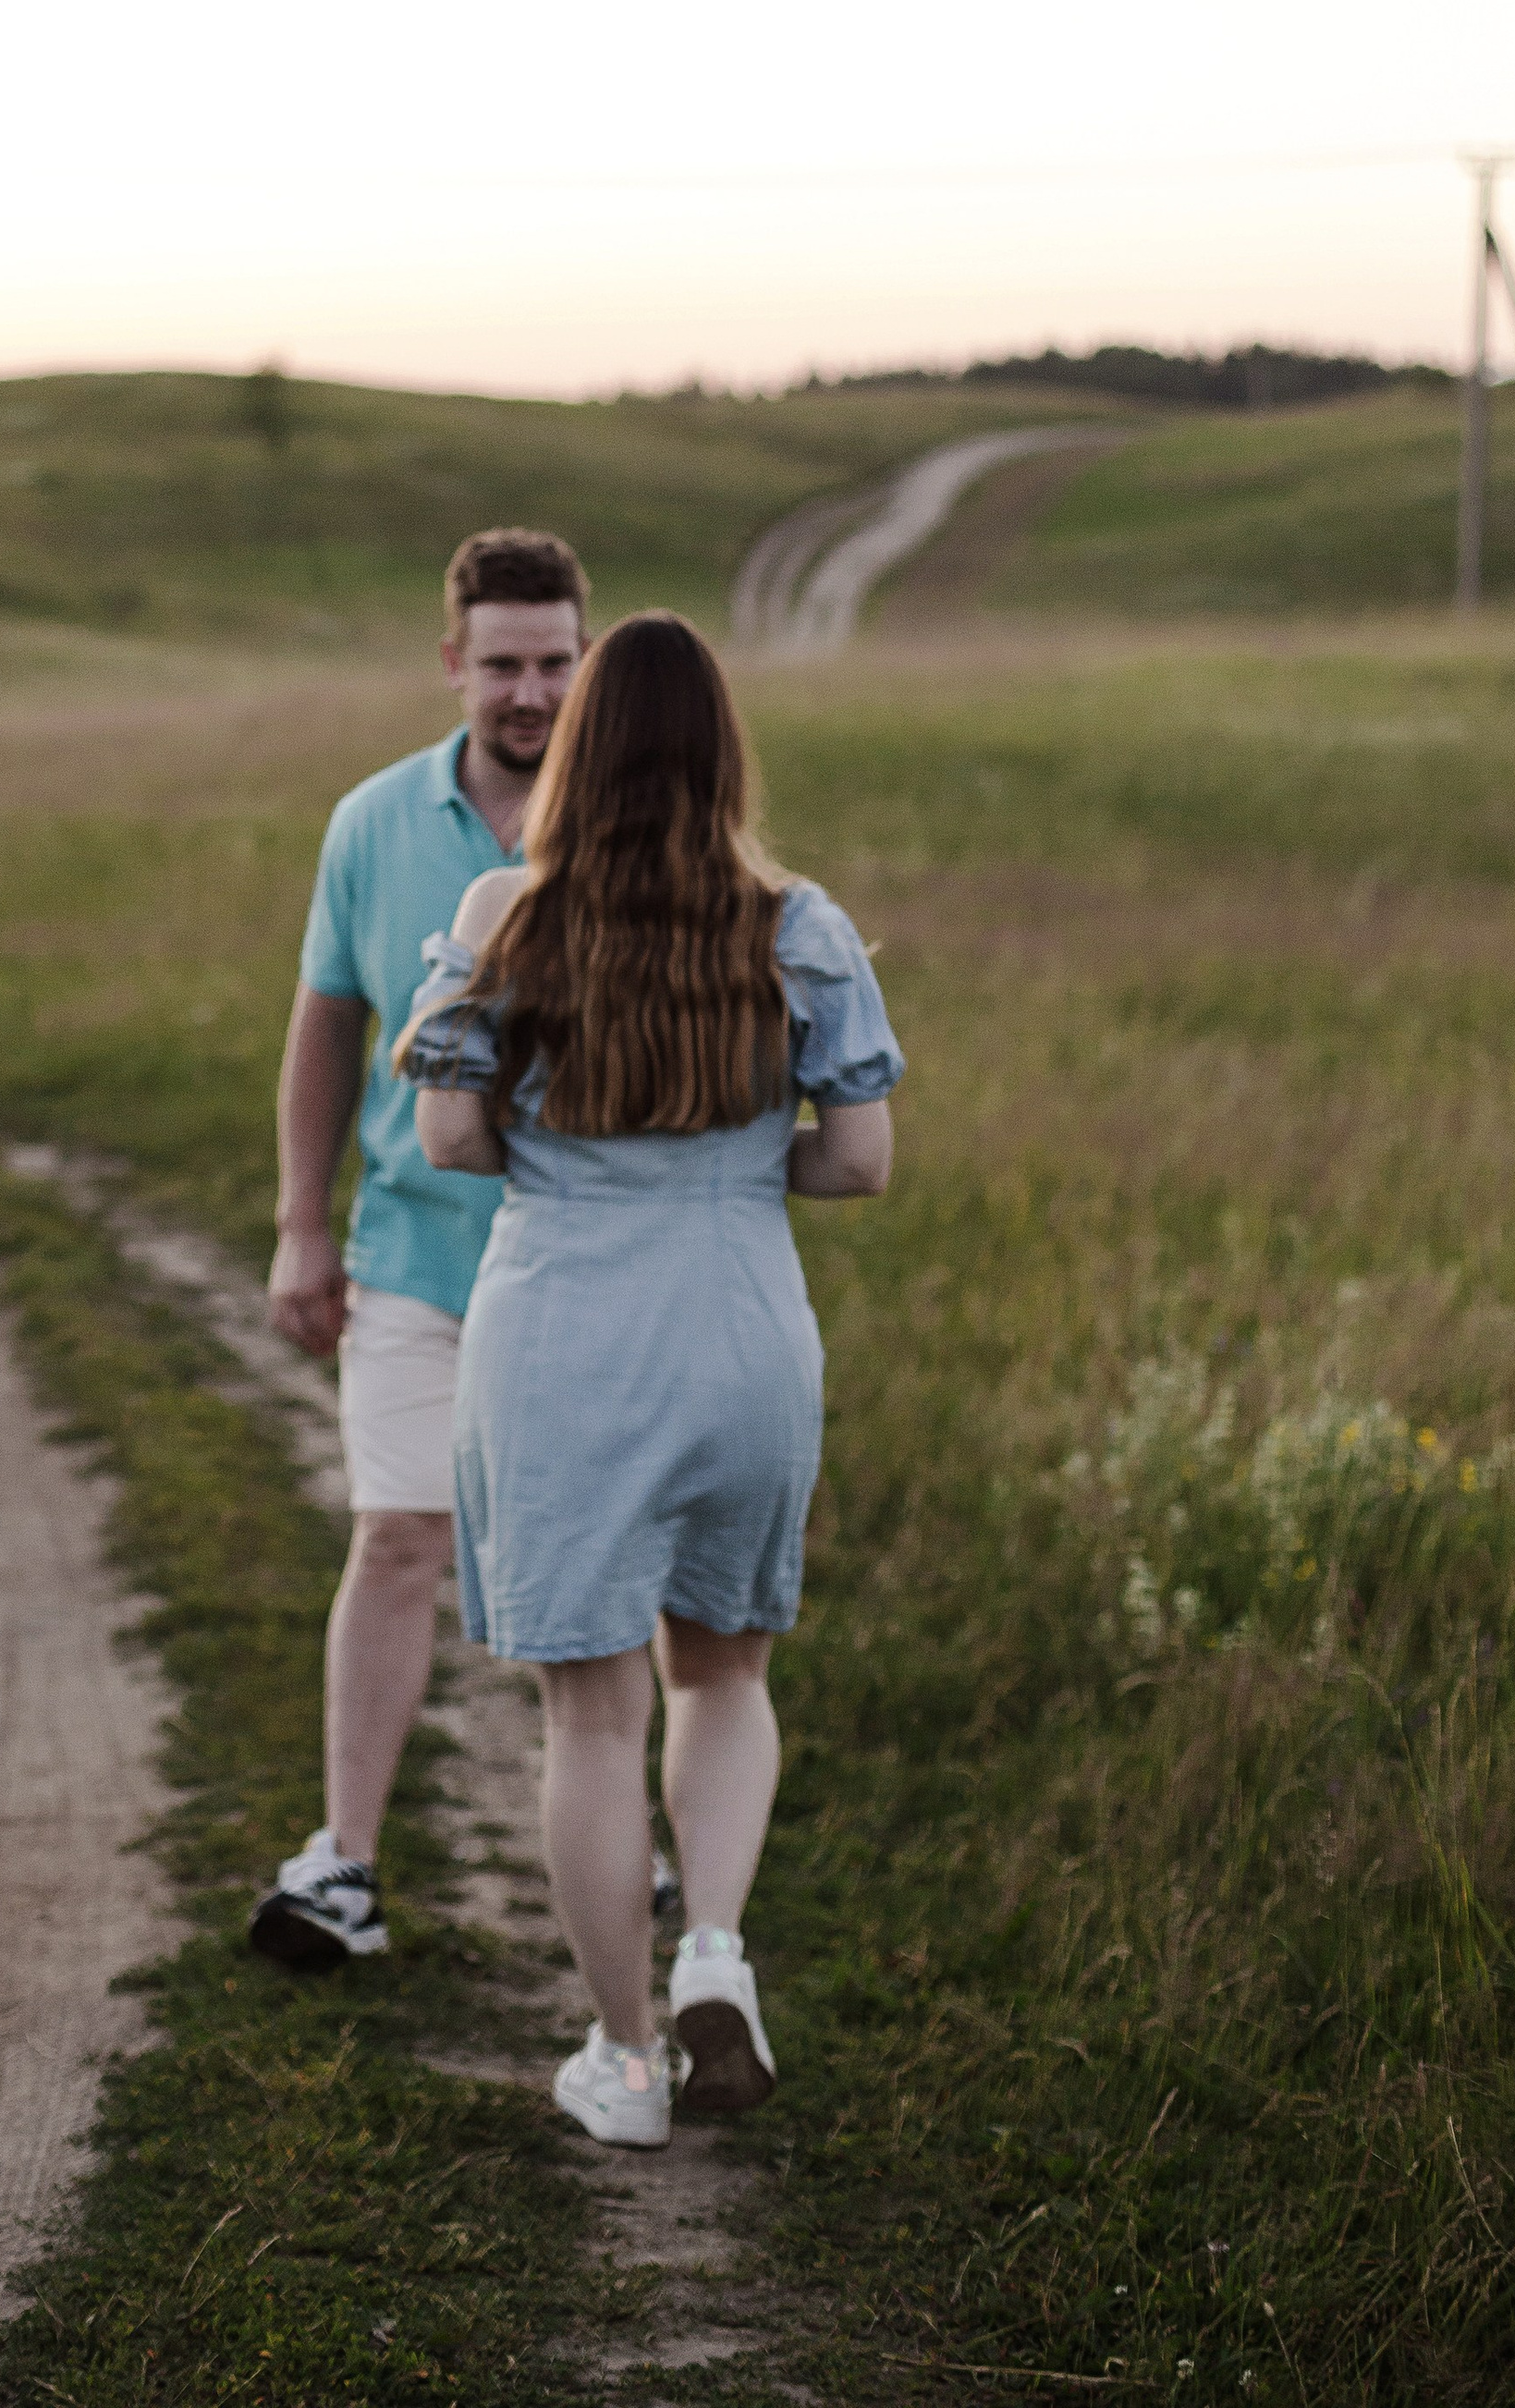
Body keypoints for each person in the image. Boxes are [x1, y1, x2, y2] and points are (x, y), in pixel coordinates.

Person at [392, 610, 901, 2149]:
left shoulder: (505, 916)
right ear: (721, 751)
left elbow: (452, 1139)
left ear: (587, 745)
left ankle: (624, 2064)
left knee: (592, 1719)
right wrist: (743, 1164)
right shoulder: (795, 923)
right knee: (726, 1673)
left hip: (565, 1330)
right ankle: (720, 1956)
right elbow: (861, 1162)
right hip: (742, 1320)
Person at [247, 528, 590, 1971]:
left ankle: (610, 1863)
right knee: (395, 1540)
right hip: (413, 1254)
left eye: (556, 664)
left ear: (590, 661)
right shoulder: (371, 824)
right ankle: (347, 1868)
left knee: (583, 1576)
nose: (530, 693)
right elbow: (328, 1023)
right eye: (504, 664)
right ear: (451, 661)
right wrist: (302, 1225)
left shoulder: (633, 830)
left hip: (589, 1273)